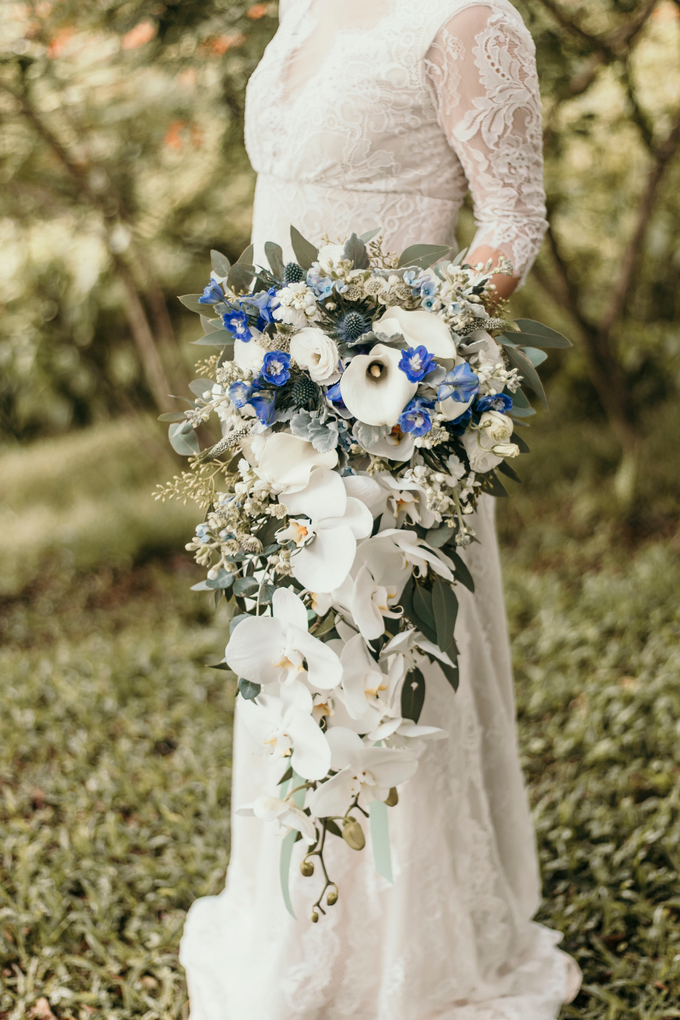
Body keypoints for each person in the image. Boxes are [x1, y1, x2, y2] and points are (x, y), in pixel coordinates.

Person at [180, 1, 582, 1016]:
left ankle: (410, 955)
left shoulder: (469, 20)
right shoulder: (308, 3)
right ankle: (299, 921)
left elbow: (510, 226)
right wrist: (270, 369)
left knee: (385, 663)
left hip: (392, 412)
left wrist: (402, 362)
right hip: (278, 402)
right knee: (294, 658)